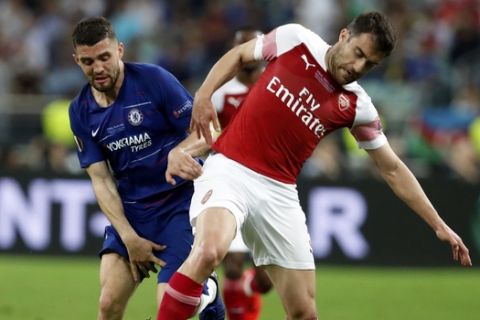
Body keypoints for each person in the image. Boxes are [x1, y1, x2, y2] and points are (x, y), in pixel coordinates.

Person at [158, 11, 472, 319]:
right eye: (359, 53)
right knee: (210, 251)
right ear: (344, 36)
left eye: (370, 64)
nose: (359, 67)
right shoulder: (296, 39)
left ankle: (207, 297)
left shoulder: (357, 106)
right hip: (231, 168)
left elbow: (392, 168)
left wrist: (439, 225)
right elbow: (241, 56)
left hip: (279, 191)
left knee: (304, 311)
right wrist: (203, 94)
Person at [68, 17, 224, 320]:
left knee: (170, 306)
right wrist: (129, 237)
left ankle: (207, 293)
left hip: (179, 203)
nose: (98, 68)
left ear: (120, 50)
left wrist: (181, 151)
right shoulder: (80, 111)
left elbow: (210, 131)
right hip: (134, 213)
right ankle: (203, 290)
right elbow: (101, 181)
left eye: (104, 57)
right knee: (107, 304)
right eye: (88, 61)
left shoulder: (154, 81)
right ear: (76, 61)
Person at [211, 27, 273, 320]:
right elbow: (205, 133)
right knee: (233, 264)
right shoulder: (222, 92)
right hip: (231, 182)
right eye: (241, 46)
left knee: (266, 281)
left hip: (267, 183)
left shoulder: (274, 87)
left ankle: (251, 287)